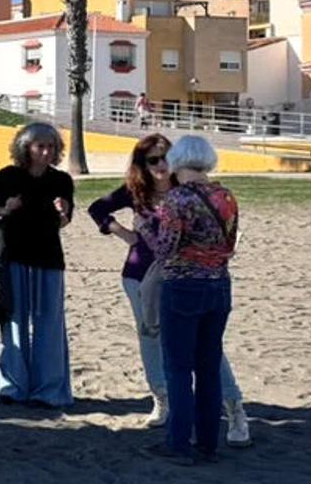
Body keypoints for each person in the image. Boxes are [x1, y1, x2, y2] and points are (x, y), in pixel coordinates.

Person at [88, 135, 251, 441]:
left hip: (183, 280)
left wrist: (146, 230)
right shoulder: (136, 191)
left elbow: (170, 245)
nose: (161, 165)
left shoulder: (186, 192)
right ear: (142, 164)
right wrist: (123, 233)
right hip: (141, 276)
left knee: (204, 349)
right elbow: (97, 208)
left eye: (166, 157)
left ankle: (233, 408)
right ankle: (162, 400)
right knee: (151, 339)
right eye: (152, 160)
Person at [139, 135, 242, 464]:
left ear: (177, 162)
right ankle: (208, 442)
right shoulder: (226, 195)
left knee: (179, 368)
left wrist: (145, 229)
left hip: (183, 285)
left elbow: (164, 249)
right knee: (209, 366)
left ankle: (179, 442)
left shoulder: (177, 199)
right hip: (218, 284)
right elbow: (229, 243)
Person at [0, 122, 75, 408]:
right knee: (14, 323)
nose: (46, 152)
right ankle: (13, 387)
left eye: (51, 147)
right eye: (40, 146)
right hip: (14, 257)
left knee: (50, 324)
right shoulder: (9, 176)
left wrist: (64, 212)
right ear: (26, 148)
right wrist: (5, 208)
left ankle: (49, 391)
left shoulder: (61, 180)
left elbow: (65, 221)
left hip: (48, 257)